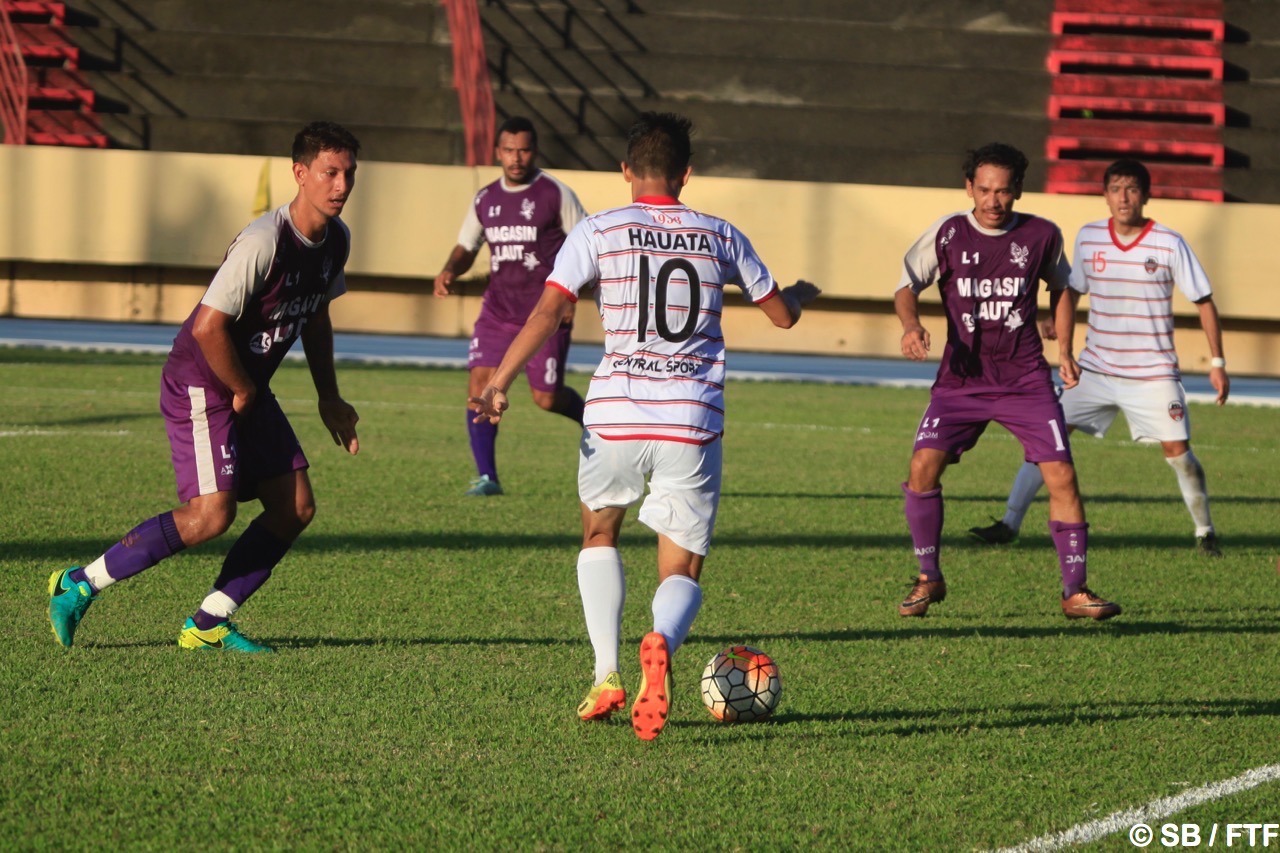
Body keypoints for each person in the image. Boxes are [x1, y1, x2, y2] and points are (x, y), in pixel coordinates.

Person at [469, 112, 820, 740]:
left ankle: (606, 672)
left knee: (599, 534)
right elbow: (782, 317)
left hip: (614, 413)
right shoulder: (719, 234)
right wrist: (797, 292)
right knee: (679, 572)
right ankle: (658, 641)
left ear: (626, 171)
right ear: (687, 173)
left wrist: (499, 380)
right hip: (690, 417)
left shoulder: (600, 229)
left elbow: (549, 309)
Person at [47, 121, 363, 653]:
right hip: (201, 378)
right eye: (330, 173)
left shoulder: (338, 242)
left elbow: (316, 318)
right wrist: (241, 389)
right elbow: (206, 327)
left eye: (349, 173)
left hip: (246, 386)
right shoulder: (264, 241)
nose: (341, 186)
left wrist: (328, 396)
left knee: (295, 508)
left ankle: (208, 622)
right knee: (210, 516)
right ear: (300, 173)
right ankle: (79, 583)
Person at [894, 142, 1120, 621]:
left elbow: (1062, 287)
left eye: (1003, 191)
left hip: (1025, 380)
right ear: (969, 188)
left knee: (1062, 476)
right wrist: (911, 326)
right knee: (921, 469)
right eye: (984, 190)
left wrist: (1064, 350)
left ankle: (1075, 591)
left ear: (1017, 189)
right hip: (961, 380)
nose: (992, 201)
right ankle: (928, 578)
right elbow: (905, 286)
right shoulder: (949, 233)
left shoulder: (1041, 235)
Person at [970, 158, 1229, 555]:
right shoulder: (1090, 237)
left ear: (1146, 195)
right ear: (1105, 195)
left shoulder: (1169, 243)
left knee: (1180, 456)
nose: (1123, 197)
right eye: (1115, 189)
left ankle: (1205, 531)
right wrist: (1064, 342)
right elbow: (1072, 291)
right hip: (1096, 369)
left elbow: (1204, 301)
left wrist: (1217, 363)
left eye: (1132, 189)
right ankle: (1009, 523)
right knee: (1048, 441)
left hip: (1154, 375)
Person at [433, 116, 589, 496]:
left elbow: (586, 246)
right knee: (481, 384)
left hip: (545, 315)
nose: (516, 158)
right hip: (498, 312)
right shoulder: (486, 198)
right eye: (509, 150)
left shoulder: (555, 194)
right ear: (498, 152)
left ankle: (595, 421)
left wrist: (573, 296)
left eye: (523, 150)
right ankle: (487, 477)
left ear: (533, 151)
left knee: (546, 398)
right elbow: (467, 246)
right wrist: (450, 270)